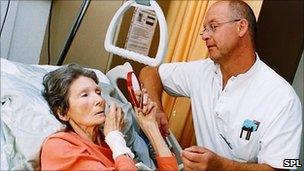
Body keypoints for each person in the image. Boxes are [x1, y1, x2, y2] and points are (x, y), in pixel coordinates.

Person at [139, 0, 302, 170]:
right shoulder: (201, 72)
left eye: (213, 27)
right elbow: (150, 73)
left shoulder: (283, 99)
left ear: (241, 27)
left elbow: (285, 166)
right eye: (204, 29)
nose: (204, 36)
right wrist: (156, 108)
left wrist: (221, 166)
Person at [40, 63, 178, 170]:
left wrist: (150, 126)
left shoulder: (106, 142)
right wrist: (115, 138)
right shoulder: (59, 148)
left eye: (98, 92)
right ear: (63, 113)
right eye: (85, 95)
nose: (100, 100)